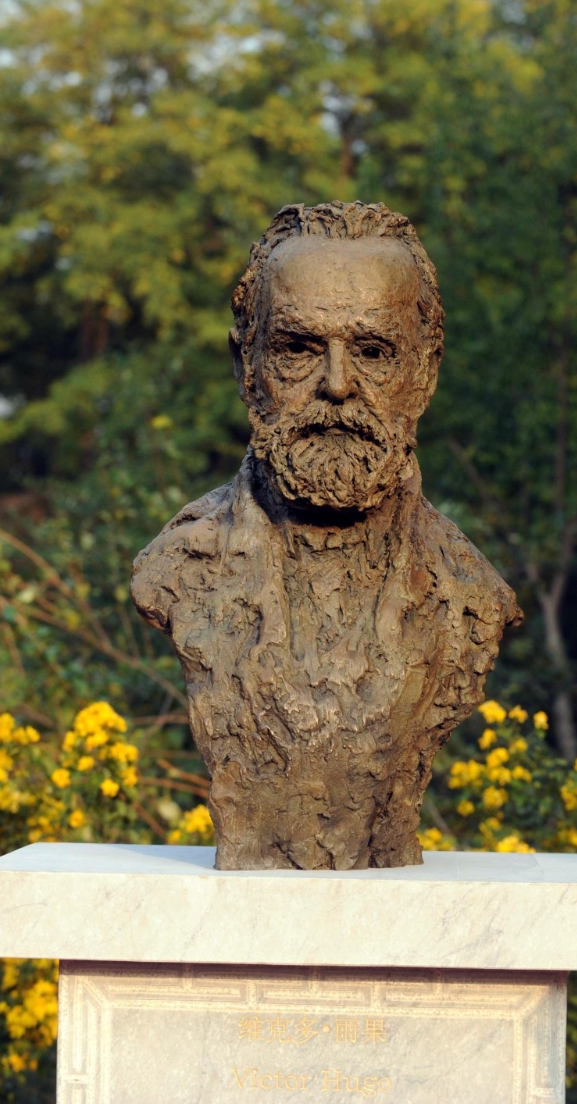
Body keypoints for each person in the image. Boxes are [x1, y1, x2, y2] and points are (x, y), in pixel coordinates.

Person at [132, 201, 521, 870]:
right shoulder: (175, 573)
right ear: (247, 369)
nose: (337, 385)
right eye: (297, 349)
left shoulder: (472, 598)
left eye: (371, 352)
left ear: (423, 372)